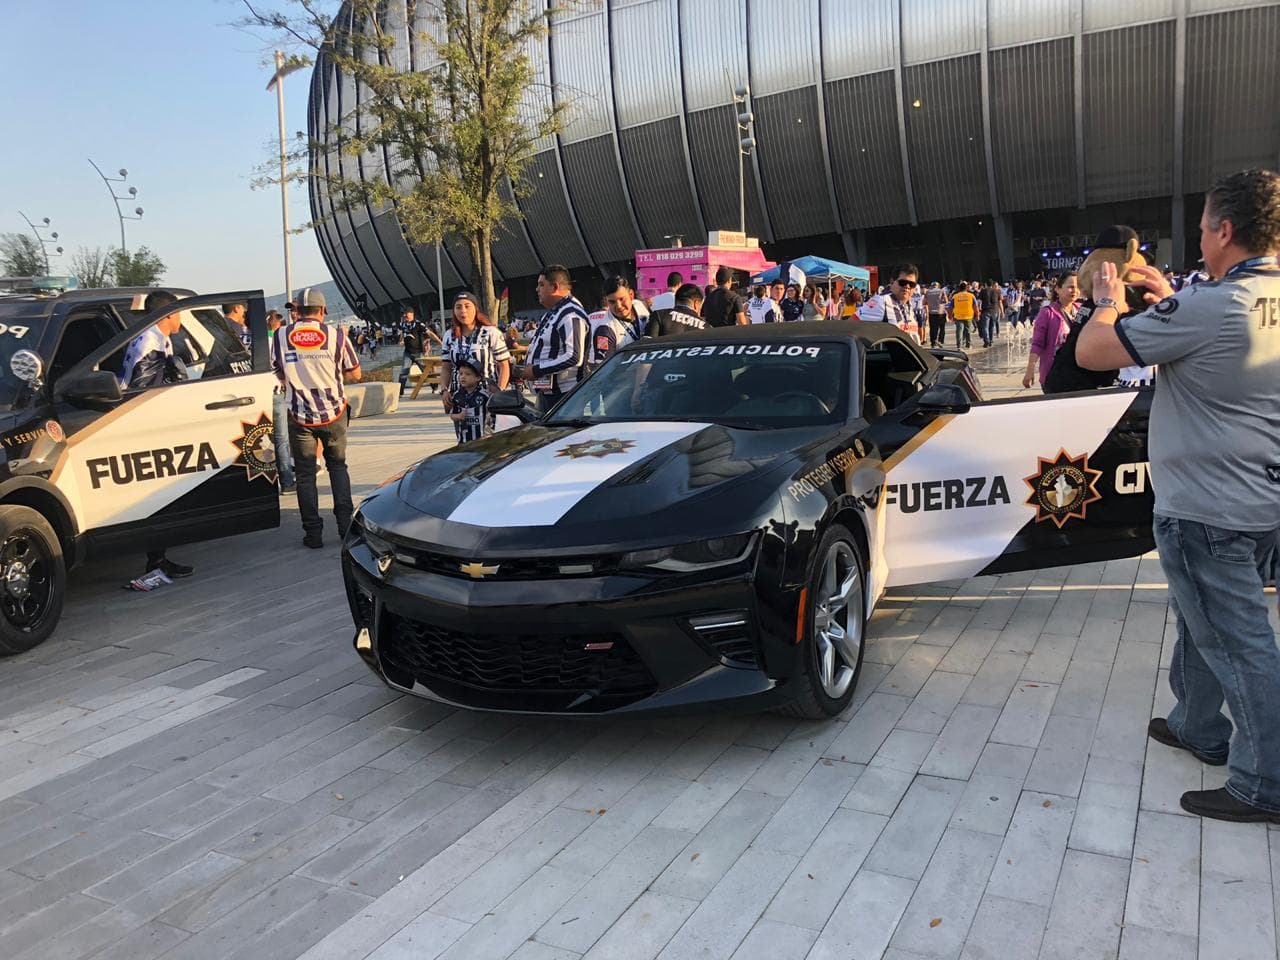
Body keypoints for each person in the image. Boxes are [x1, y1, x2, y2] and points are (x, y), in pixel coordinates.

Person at [1075, 168, 1280, 824]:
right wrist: (1169, 296)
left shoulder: (1210, 306)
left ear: (1224, 229)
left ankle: (1264, 781)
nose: (1199, 239)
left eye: (1201, 229)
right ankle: (1197, 725)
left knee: (1237, 642)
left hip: (1206, 507)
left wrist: (1108, 298)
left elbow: (1092, 351)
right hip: (1258, 497)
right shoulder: (1251, 299)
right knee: (1205, 623)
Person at [271, 287, 361, 549]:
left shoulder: (281, 335)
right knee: (338, 467)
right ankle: (345, 526)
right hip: (333, 413)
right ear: (323, 311)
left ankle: (313, 533)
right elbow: (355, 374)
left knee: (306, 475)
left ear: (297, 310)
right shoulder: (335, 335)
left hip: (300, 416)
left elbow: (277, 371)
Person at [123, 289, 195, 579]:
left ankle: (158, 557)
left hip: (148, 425)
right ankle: (155, 560)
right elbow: (142, 390)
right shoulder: (151, 343)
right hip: (146, 428)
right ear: (167, 314)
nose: (180, 319)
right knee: (158, 498)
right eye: (178, 313)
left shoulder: (153, 338)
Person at [515, 264, 590, 409]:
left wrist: (537, 370)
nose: (537, 290)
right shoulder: (554, 312)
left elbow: (574, 356)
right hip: (548, 393)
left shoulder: (570, 314)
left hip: (565, 395)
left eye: (541, 285)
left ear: (555, 287)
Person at [440, 291, 511, 411]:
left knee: (488, 428)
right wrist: (444, 390)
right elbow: (446, 367)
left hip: (488, 396)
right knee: (463, 429)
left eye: (467, 306)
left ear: (475, 309)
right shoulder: (449, 335)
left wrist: (499, 392)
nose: (463, 311)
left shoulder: (491, 333)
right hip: (460, 396)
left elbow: (504, 366)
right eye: (458, 307)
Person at [1021, 272, 1079, 390]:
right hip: (1055, 375)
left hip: (1078, 374)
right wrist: (1030, 370)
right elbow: (1037, 343)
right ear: (1058, 289)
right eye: (1070, 287)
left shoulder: (1082, 310)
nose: (1075, 290)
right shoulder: (1047, 313)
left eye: (1078, 287)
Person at [265, 310, 296, 492]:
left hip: (258, 391)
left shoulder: (255, 339)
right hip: (276, 391)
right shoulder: (276, 342)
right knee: (281, 438)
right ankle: (286, 480)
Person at [589, 277, 648, 367]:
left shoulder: (640, 306)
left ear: (631, 295)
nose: (619, 306)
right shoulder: (604, 331)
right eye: (612, 302)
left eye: (622, 299)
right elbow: (605, 371)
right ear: (606, 301)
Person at [862, 264, 921, 341]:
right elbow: (851, 324)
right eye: (903, 282)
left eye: (912, 284)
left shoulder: (909, 305)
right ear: (892, 282)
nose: (907, 286)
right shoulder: (881, 301)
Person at [449, 358, 491, 444]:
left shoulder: (484, 395)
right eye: (460, 374)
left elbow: (493, 415)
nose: (463, 377)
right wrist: (458, 416)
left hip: (482, 440)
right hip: (463, 441)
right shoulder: (457, 395)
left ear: (478, 377)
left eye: (468, 374)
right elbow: (452, 414)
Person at [948, 281, 976, 348]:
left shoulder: (955, 296)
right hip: (968, 315)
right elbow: (975, 306)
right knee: (968, 331)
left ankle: (959, 345)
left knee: (959, 331)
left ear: (959, 288)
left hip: (958, 316)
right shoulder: (971, 296)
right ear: (966, 288)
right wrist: (977, 315)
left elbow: (951, 307)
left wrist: (950, 316)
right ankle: (968, 345)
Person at [978, 279, 1004, 346]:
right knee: (992, 326)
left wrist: (978, 310)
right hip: (994, 311)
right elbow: (1000, 302)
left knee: (985, 327)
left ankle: (986, 340)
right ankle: (991, 340)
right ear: (992, 285)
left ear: (986, 284)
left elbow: (979, 301)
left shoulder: (983, 291)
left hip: (985, 311)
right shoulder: (997, 291)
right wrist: (1002, 311)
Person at [923, 281, 947, 347]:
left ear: (931, 286)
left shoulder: (927, 292)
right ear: (938, 285)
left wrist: (931, 302)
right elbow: (946, 301)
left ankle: (933, 342)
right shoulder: (941, 291)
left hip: (931, 312)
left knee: (933, 328)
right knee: (942, 327)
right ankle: (940, 341)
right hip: (941, 311)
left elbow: (924, 302)